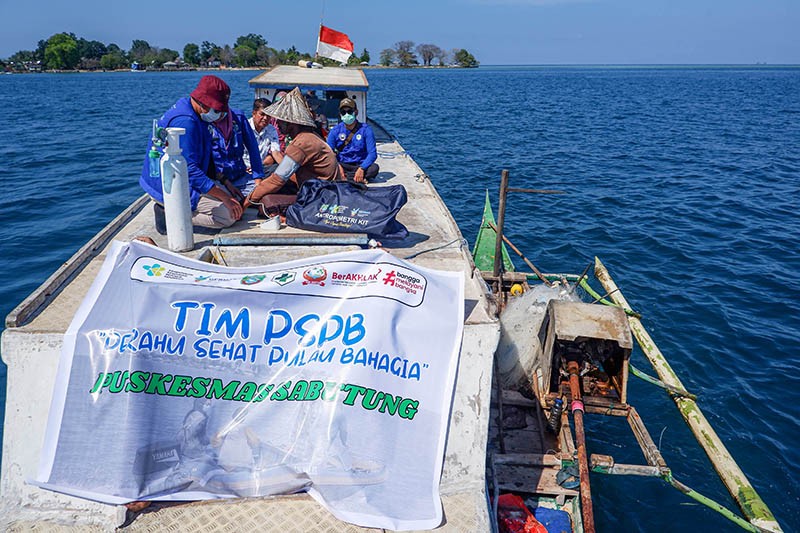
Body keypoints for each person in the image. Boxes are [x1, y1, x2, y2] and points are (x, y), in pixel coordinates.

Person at [139, 75, 243, 231]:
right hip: (167, 185)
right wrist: (224, 198)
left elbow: (206, 157)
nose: (220, 115)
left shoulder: (192, 110)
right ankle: (168, 215)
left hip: (185, 178)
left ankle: (180, 209)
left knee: (235, 201)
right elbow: (189, 169)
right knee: (229, 215)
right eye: (217, 110)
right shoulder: (186, 122)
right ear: (203, 103)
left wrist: (224, 181)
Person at [244, 87, 343, 207]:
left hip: (321, 197)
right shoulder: (311, 136)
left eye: (280, 120)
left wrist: (247, 201)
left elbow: (277, 180)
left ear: (290, 123)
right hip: (325, 189)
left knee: (267, 201)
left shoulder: (300, 144)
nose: (277, 123)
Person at [211, 106, 264, 201]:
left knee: (264, 193)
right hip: (218, 180)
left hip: (240, 177)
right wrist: (224, 181)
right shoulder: (203, 121)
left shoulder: (238, 117)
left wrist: (258, 177)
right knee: (228, 202)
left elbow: (253, 147)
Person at [327, 97, 379, 184]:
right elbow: (328, 152)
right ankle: (356, 178)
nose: (347, 114)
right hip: (342, 164)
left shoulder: (366, 130)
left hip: (359, 164)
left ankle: (347, 177)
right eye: (343, 112)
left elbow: (372, 154)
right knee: (328, 168)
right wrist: (338, 166)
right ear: (340, 114)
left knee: (374, 168)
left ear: (356, 112)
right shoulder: (335, 131)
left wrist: (362, 168)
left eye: (350, 111)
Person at [242, 98, 283, 176]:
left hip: (261, 168)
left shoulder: (271, 130)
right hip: (244, 169)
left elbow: (276, 153)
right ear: (254, 113)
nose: (265, 118)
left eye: (268, 115)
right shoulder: (244, 127)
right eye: (262, 114)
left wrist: (288, 170)